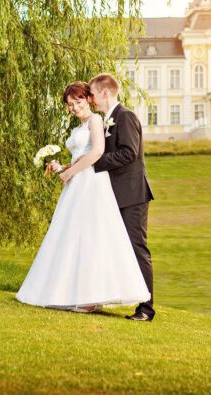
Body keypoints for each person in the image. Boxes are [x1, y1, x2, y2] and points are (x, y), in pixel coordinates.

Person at [15, 81, 151, 313]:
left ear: (89, 98)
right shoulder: (83, 125)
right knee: (72, 236)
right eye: (70, 104)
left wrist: (71, 172)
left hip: (97, 184)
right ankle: (72, 292)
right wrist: (64, 166)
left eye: (79, 101)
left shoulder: (102, 119)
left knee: (101, 239)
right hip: (81, 183)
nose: (75, 107)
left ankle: (141, 306)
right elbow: (85, 155)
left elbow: (98, 152)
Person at [87, 72, 156, 321]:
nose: (91, 99)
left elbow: (129, 153)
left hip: (132, 195)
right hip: (114, 196)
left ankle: (146, 309)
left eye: (93, 94)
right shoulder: (108, 119)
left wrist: (94, 162)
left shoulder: (125, 117)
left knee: (137, 249)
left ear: (105, 92)